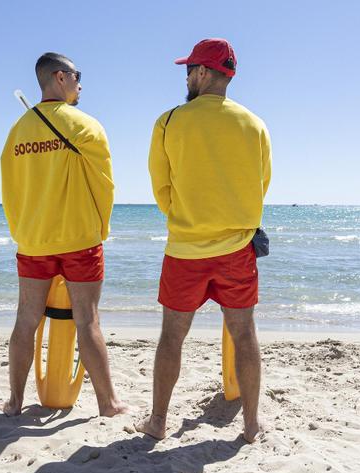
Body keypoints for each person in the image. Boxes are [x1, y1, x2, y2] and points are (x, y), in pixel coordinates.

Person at [137, 38, 271, 443]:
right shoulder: (254, 124)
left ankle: (158, 422)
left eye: (189, 69)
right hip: (236, 249)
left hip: (185, 249)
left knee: (172, 336)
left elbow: (161, 186)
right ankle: (250, 425)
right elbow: (261, 184)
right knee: (244, 334)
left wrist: (188, 216)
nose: (187, 77)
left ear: (202, 72)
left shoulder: (170, 120)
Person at [0, 52, 127, 417]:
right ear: (60, 77)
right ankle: (109, 403)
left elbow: (10, 187)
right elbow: (105, 186)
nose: (81, 84)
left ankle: (15, 402)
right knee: (88, 320)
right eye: (77, 75)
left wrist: (22, 230)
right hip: (79, 239)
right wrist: (101, 229)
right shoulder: (85, 125)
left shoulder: (18, 131)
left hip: (34, 240)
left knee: (26, 320)